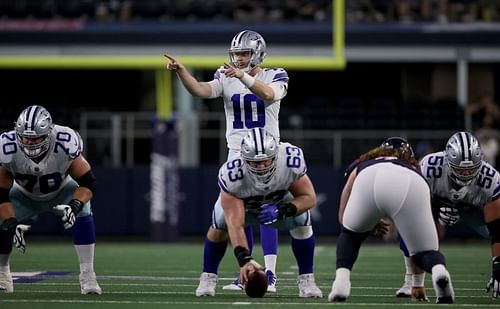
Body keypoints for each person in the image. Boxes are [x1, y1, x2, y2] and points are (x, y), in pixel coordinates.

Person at [165, 29, 289, 292]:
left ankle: (271, 274)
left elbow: (268, 94)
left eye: (244, 53)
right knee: (229, 215)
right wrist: (182, 72)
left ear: (258, 53)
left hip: (268, 153)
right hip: (237, 154)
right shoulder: (225, 75)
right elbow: (200, 90)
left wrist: (243, 76)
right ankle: (247, 271)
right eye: (237, 54)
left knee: (269, 210)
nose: (240, 58)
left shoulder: (276, 74)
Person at [194, 128, 322, 298]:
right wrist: (244, 259)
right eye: (255, 163)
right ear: (244, 159)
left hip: (278, 206)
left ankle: (307, 279)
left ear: (275, 156)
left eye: (266, 161)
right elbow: (236, 225)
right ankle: (208, 277)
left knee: (303, 221)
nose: (261, 167)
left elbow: (309, 198)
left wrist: (283, 210)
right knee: (220, 223)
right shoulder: (232, 174)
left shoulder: (290, 161)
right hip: (246, 210)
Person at [329, 137, 455, 304]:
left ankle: (341, 283)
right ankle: (439, 271)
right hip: (411, 181)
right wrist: (417, 284)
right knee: (425, 252)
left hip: (368, 176)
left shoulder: (364, 162)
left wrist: (367, 222)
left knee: (350, 235)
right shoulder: (415, 168)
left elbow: (343, 217)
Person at [0, 105, 101, 295]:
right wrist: (11, 222)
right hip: (23, 195)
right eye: (24, 136)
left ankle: (88, 275)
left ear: (48, 133)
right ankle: (2, 273)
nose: (29, 142)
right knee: (0, 221)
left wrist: (75, 204)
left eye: (35, 137)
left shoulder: (64, 141)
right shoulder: (7, 146)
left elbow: (89, 182)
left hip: (61, 191)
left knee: (85, 209)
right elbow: (1, 194)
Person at [395, 131, 500, 299]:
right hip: (436, 199)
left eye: (471, 169)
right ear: (448, 162)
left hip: (472, 208)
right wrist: (436, 209)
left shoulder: (491, 179)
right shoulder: (430, 166)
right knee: (411, 227)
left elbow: (497, 230)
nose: (466, 175)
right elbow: (415, 206)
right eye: (461, 169)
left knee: (492, 232)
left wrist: (498, 268)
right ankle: (411, 283)